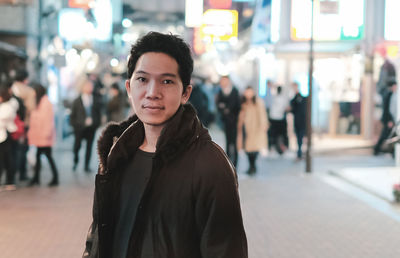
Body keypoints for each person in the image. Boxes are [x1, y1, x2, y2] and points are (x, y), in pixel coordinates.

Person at [83, 32, 247, 258]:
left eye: (167, 81)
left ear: (185, 93)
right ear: (129, 88)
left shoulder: (210, 166)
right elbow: (96, 239)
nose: (152, 93)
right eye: (142, 79)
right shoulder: (116, 152)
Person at [27, 83, 59, 187]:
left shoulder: (46, 102)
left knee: (48, 156)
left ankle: (53, 177)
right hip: (39, 135)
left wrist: (46, 133)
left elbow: (48, 120)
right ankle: (37, 178)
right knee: (41, 156)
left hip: (44, 136)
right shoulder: (40, 101)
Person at [70, 79, 102, 172]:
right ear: (83, 87)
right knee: (77, 146)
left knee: (89, 147)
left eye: (91, 86)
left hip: (91, 128)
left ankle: (86, 166)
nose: (90, 88)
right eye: (88, 86)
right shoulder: (77, 100)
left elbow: (98, 113)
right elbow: (73, 115)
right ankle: (75, 161)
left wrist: (96, 124)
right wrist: (75, 126)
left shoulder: (95, 99)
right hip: (79, 128)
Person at [11, 69, 36, 181]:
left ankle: (10, 172)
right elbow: (31, 108)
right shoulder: (29, 91)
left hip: (9, 123)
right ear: (25, 79)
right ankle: (21, 173)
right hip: (23, 124)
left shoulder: (10, 88)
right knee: (22, 148)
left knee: (11, 148)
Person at [237, 86, 268, 174]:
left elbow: (262, 114)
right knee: (247, 148)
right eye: (247, 92)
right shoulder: (244, 103)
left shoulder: (258, 102)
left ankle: (253, 166)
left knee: (255, 148)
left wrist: (263, 125)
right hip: (246, 128)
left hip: (256, 127)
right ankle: (251, 166)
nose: (248, 94)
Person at [216, 75, 241, 167]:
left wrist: (226, 108)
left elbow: (236, 106)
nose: (223, 83)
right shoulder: (220, 92)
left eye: (224, 81)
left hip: (234, 121)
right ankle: (228, 163)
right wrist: (224, 109)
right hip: (226, 121)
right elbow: (219, 105)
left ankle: (235, 164)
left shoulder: (235, 91)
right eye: (222, 81)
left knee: (234, 144)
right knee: (227, 142)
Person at [0, 82, 18, 191]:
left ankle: (10, 181)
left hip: (6, 136)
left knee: (7, 160)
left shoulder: (8, 106)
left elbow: (3, 119)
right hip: (3, 136)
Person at [374, 81, 397, 155]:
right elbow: (387, 109)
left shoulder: (388, 94)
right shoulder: (389, 94)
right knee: (386, 135)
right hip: (388, 119)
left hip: (387, 118)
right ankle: (378, 149)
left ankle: (391, 151)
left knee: (388, 135)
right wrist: (389, 120)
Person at [268, 85, 289, 154]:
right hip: (279, 119)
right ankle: (281, 147)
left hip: (275, 118)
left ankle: (273, 147)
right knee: (281, 134)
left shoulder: (274, 98)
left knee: (274, 135)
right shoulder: (281, 98)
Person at [289, 82, 307, 160]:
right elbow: (292, 109)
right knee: (298, 138)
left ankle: (300, 153)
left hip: (302, 120)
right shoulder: (293, 99)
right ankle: (299, 153)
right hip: (297, 120)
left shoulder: (302, 98)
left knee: (301, 137)